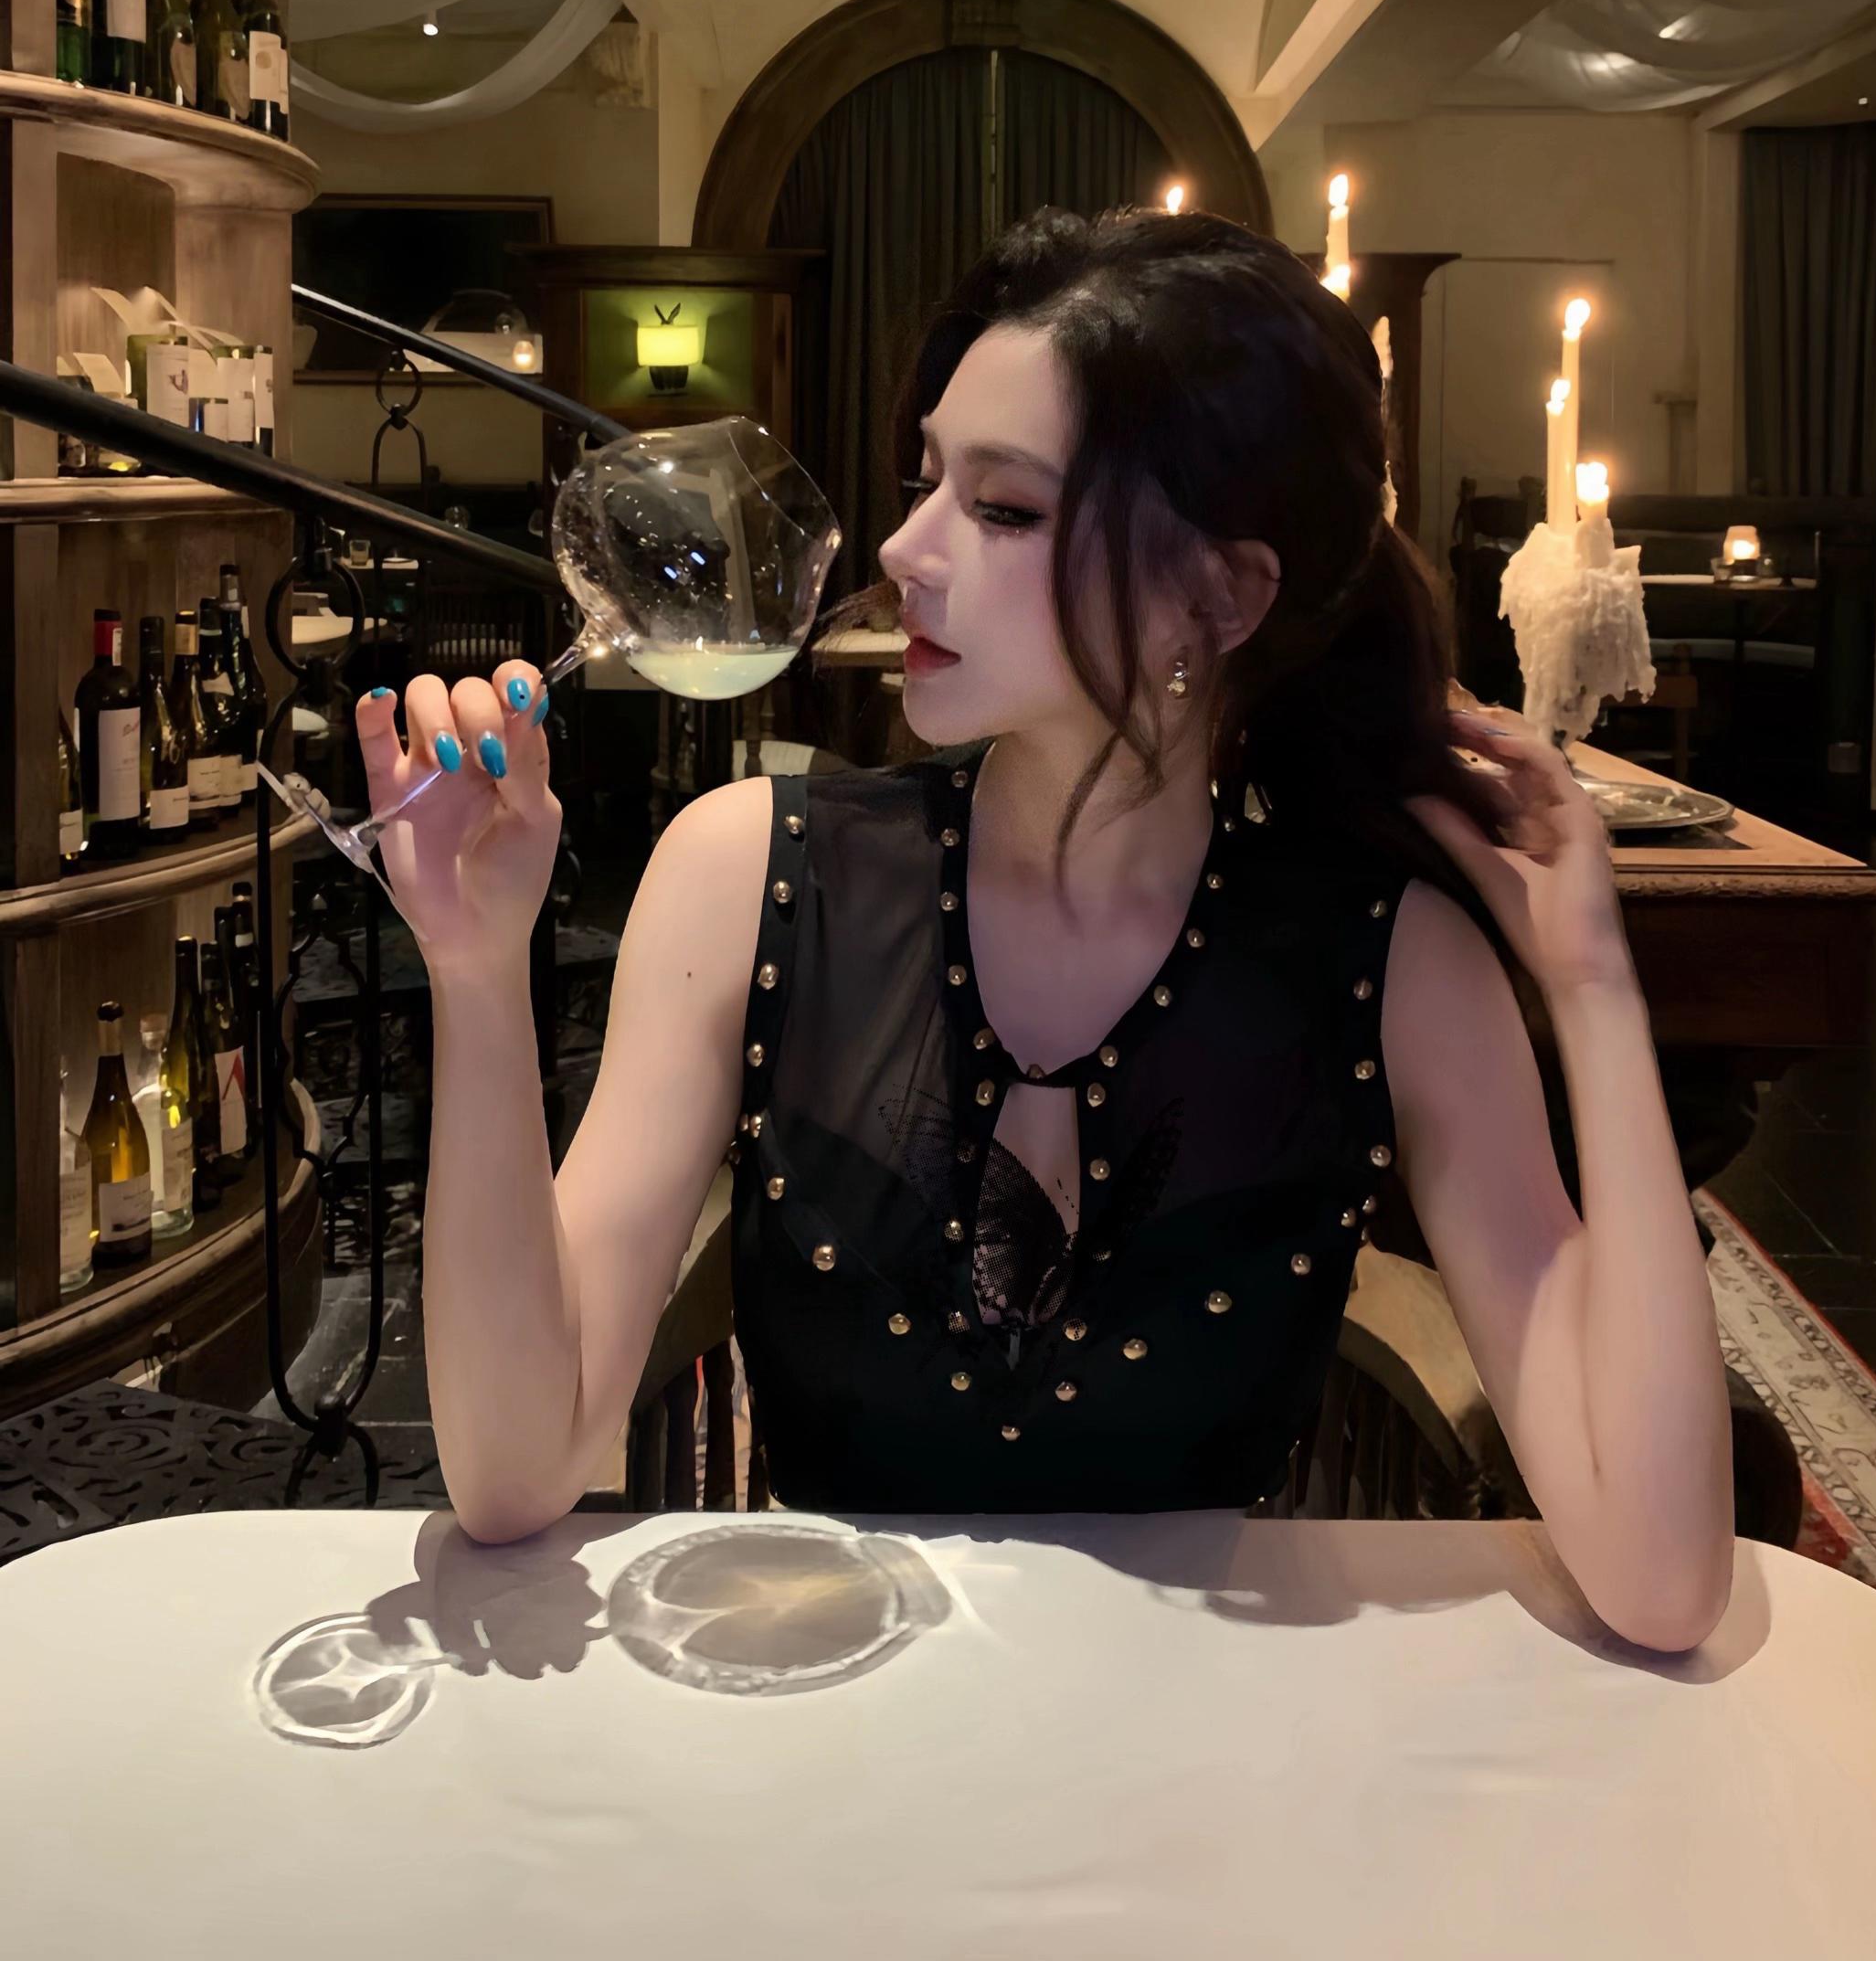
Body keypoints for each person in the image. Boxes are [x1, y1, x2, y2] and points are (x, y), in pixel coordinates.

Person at [361, 207, 1733, 1650]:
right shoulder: (752, 876)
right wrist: (476, 969)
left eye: (1003, 508)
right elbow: (511, 1474)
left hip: (1210, 1740)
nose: (906, 547)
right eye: (926, 482)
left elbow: (1661, 1580)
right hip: (824, 1705)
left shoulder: (1384, 961)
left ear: (1221, 592)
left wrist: (1593, 986)